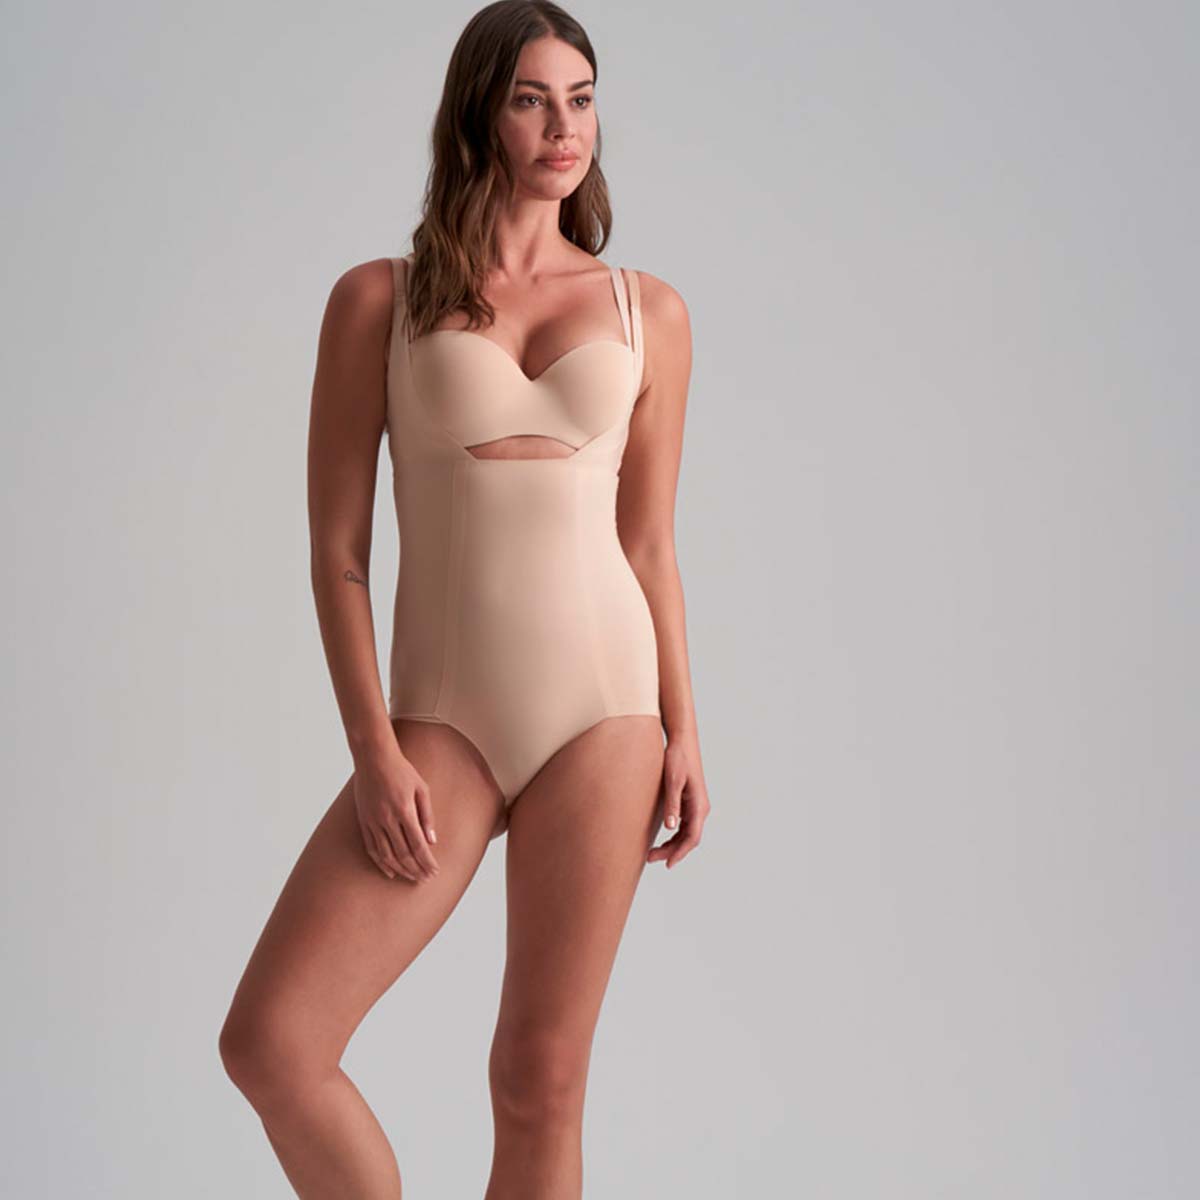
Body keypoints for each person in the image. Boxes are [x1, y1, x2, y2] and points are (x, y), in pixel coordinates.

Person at [218, 2, 710, 1195]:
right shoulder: (378, 301)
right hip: (442, 721)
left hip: (609, 713)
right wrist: (372, 749)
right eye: (532, 100)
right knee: (274, 1042)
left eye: (581, 99)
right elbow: (338, 551)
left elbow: (648, 540)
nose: (563, 127)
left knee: (539, 1078)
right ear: (480, 114)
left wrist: (687, 731)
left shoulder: (649, 312)